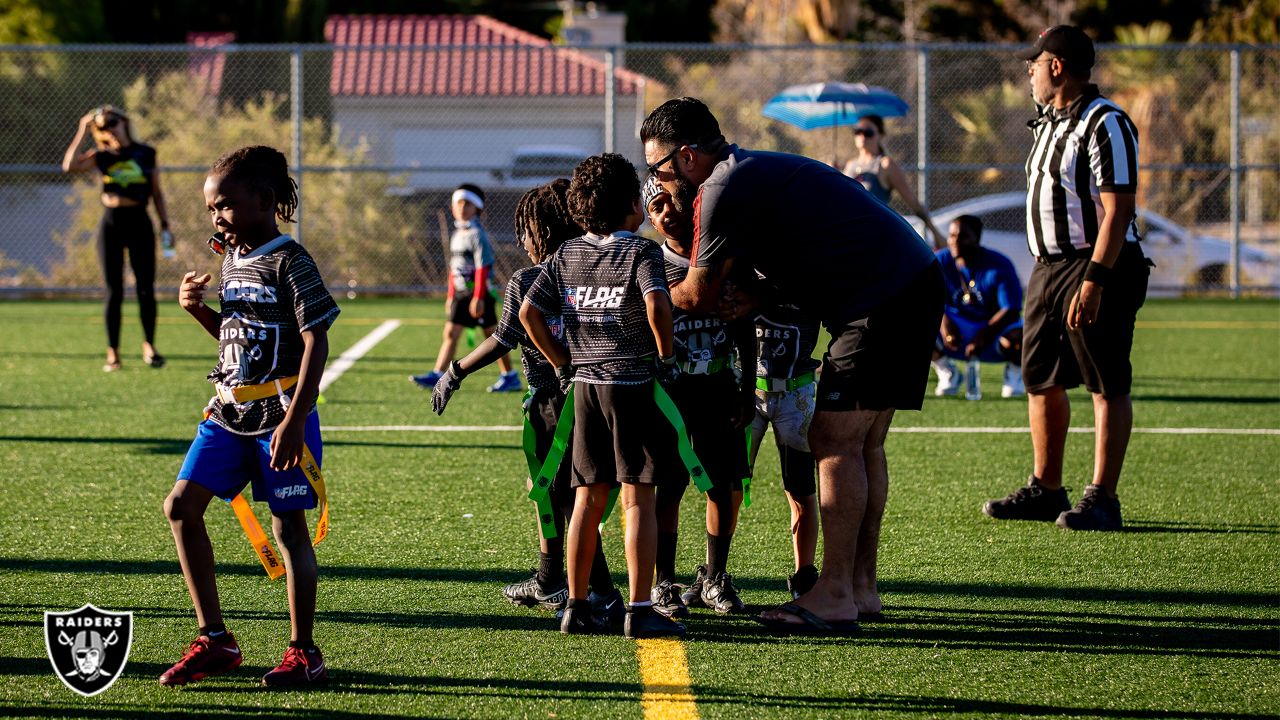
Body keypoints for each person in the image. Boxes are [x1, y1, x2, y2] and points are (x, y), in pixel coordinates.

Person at [641, 97, 943, 633]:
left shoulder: (718, 188)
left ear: (687, 157)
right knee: (866, 442)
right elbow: (812, 243)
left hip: (881, 300)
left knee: (834, 441)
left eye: (658, 170)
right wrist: (759, 295)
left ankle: (831, 593)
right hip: (910, 280)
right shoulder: (754, 168)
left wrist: (637, 292)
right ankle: (860, 587)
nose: (660, 183)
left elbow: (696, 294)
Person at [160, 146, 339, 687]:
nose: (217, 217)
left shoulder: (290, 259)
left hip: (281, 416)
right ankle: (215, 639)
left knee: (289, 531)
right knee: (180, 507)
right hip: (229, 411)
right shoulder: (231, 256)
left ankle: (303, 651)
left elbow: (316, 342)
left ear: (264, 201)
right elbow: (239, 340)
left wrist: (294, 420)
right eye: (212, 208)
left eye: (227, 205)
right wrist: (198, 312)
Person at [429, 180, 623, 620]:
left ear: (544, 230)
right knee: (560, 492)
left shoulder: (530, 278)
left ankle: (601, 593)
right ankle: (552, 576)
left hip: (555, 400)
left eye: (528, 230)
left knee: (563, 496)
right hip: (596, 394)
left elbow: (502, 339)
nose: (522, 239)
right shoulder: (592, 270)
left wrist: (456, 371)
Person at [983, 26, 1150, 532]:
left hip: (1096, 265)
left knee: (1105, 381)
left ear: (1056, 65)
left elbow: (1118, 210)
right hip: (1048, 267)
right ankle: (1046, 487)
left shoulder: (1105, 122)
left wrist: (1096, 281)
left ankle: (1103, 497)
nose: (1028, 73)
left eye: (1033, 64)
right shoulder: (1049, 123)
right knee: (1040, 379)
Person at [519, 153, 686, 639]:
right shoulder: (641, 252)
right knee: (638, 500)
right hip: (632, 386)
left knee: (586, 501)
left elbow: (530, 313)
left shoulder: (567, 254)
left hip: (585, 390)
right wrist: (667, 356)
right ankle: (637, 608)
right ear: (629, 202)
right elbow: (657, 306)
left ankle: (574, 607)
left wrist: (561, 363)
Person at [640, 177, 756, 619]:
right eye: (656, 204)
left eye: (675, 201)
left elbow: (743, 324)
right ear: (649, 215)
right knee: (667, 489)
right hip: (670, 395)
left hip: (719, 388)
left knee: (723, 488)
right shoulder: (647, 260)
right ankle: (663, 582)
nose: (667, 210)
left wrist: (746, 388)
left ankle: (714, 576)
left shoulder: (719, 254)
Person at [61, 105, 171, 372]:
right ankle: (113, 353)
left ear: (123, 121)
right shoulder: (102, 156)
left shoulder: (145, 153)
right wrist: (82, 129)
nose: (108, 129)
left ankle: (150, 345)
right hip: (111, 222)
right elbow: (69, 167)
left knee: (146, 287)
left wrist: (165, 224)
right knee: (114, 290)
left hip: (140, 220)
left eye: (112, 122)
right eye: (102, 126)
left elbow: (156, 191)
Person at [411, 184, 521, 393]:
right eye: (458, 203)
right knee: (451, 332)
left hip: (477, 294)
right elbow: (454, 269)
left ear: (477, 208)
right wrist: (451, 295)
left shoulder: (477, 234)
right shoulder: (458, 233)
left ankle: (510, 376)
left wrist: (478, 296)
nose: (462, 207)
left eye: (467, 203)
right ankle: (437, 373)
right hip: (461, 294)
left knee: (493, 337)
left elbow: (483, 267)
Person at [749, 299, 822, 599]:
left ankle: (804, 573)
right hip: (747, 387)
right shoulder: (743, 267)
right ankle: (714, 572)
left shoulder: (808, 272)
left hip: (796, 390)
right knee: (726, 489)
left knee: (800, 488)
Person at [932, 215, 1026, 399]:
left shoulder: (998, 264)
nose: (955, 241)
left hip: (992, 328)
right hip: (957, 327)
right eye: (951, 235)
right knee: (912, 323)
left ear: (977, 238)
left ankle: (1015, 374)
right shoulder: (941, 260)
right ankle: (947, 371)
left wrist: (983, 335)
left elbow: (1011, 309)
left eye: (963, 236)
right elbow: (925, 299)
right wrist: (945, 323)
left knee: (1021, 336)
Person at [841, 114, 945, 249]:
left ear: (880, 135)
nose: (862, 136)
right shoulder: (850, 165)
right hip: (849, 233)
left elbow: (913, 202)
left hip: (873, 235)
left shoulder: (885, 165)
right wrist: (832, 172)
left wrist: (936, 233)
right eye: (858, 131)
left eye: (868, 132)